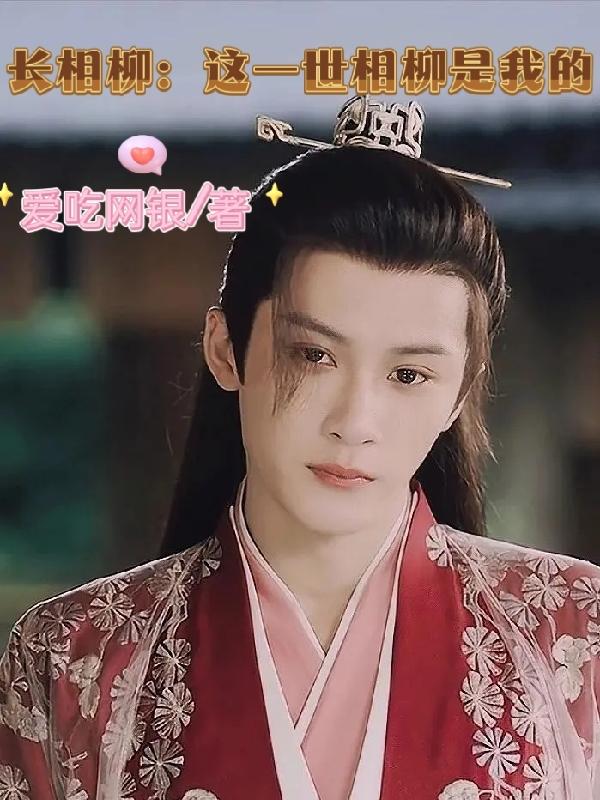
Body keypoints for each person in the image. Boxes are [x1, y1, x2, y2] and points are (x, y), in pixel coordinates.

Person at [0, 95, 598, 800]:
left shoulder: (576, 634)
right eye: (314, 355)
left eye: (409, 374)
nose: (356, 421)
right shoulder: (72, 657)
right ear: (226, 349)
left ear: (458, 395)